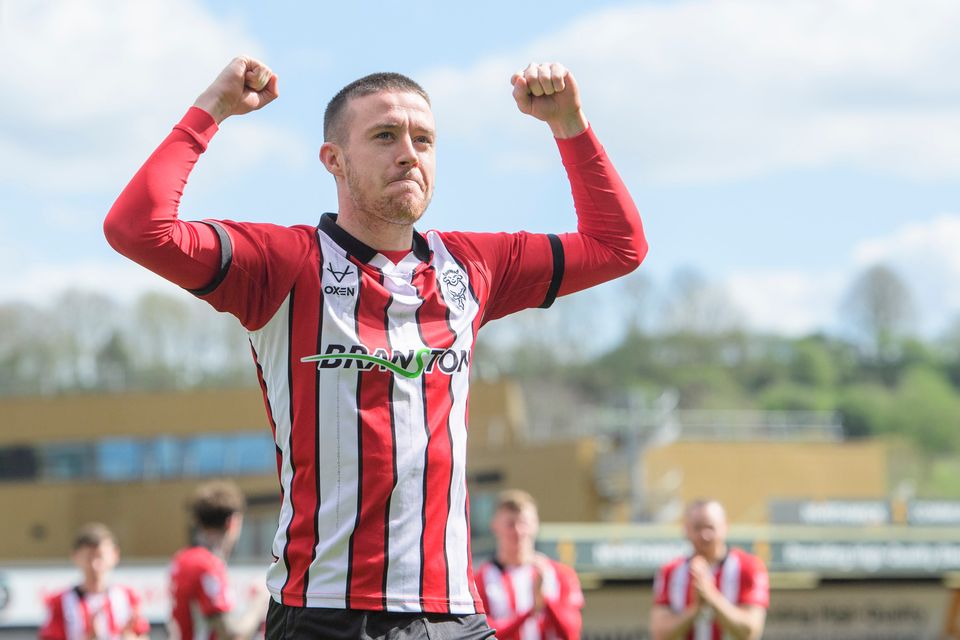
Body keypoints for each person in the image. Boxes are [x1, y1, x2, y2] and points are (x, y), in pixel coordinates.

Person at [104, 55, 646, 639]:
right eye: (385, 136)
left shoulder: (472, 266)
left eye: (423, 139)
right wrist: (212, 108)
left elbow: (619, 246)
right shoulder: (283, 263)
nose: (409, 153)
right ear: (333, 160)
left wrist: (569, 124)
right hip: (328, 613)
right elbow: (136, 228)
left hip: (455, 612)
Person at [650, 500, 768, 640]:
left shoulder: (749, 567)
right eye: (697, 528)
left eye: (710, 527)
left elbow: (750, 631)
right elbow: (660, 634)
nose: (704, 535)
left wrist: (711, 596)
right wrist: (695, 609)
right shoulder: (670, 571)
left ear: (725, 526)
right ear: (686, 529)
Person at [475, 490, 583, 639]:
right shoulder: (480, 578)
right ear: (495, 526)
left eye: (524, 523)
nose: (518, 531)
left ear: (536, 524)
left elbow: (571, 631)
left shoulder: (560, 574)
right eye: (510, 524)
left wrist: (545, 600)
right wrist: (530, 612)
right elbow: (482, 632)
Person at [168, 480, 267, 640]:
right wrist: (259, 603)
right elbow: (230, 635)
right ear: (232, 522)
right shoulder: (207, 565)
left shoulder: (181, 558)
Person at [38, 523, 150, 640]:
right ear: (75, 557)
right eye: (89, 558)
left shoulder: (129, 596)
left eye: (100, 557)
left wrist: (129, 636)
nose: (95, 565)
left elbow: (142, 635)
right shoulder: (60, 602)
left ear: (115, 555)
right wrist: (89, 637)